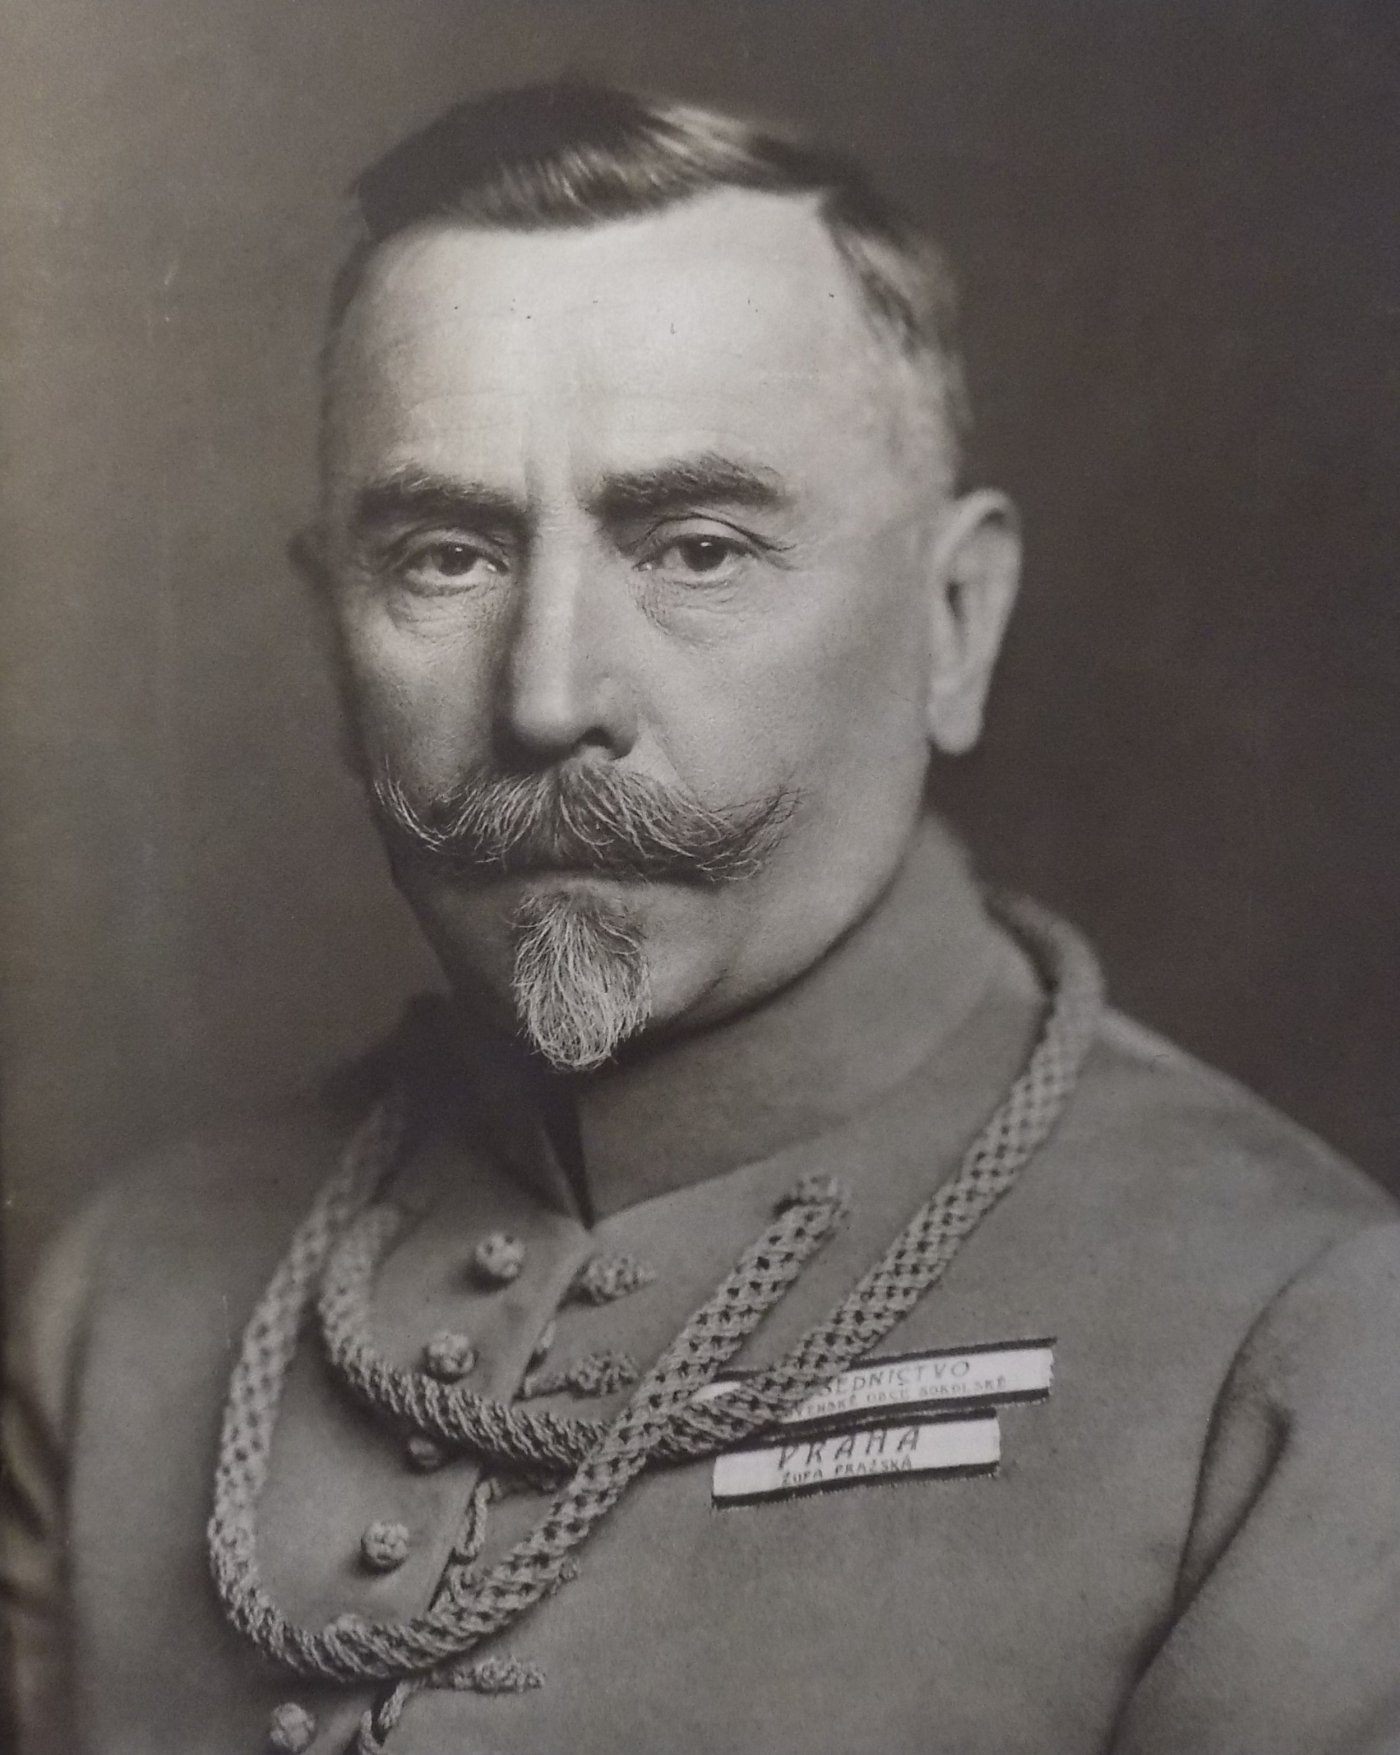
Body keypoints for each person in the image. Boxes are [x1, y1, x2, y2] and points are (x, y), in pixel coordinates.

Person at [4, 80, 1400, 1755]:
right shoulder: (128, 1311)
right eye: (445, 556)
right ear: (328, 637)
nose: (548, 697)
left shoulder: (1311, 1335)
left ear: (956, 620)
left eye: (698, 550)